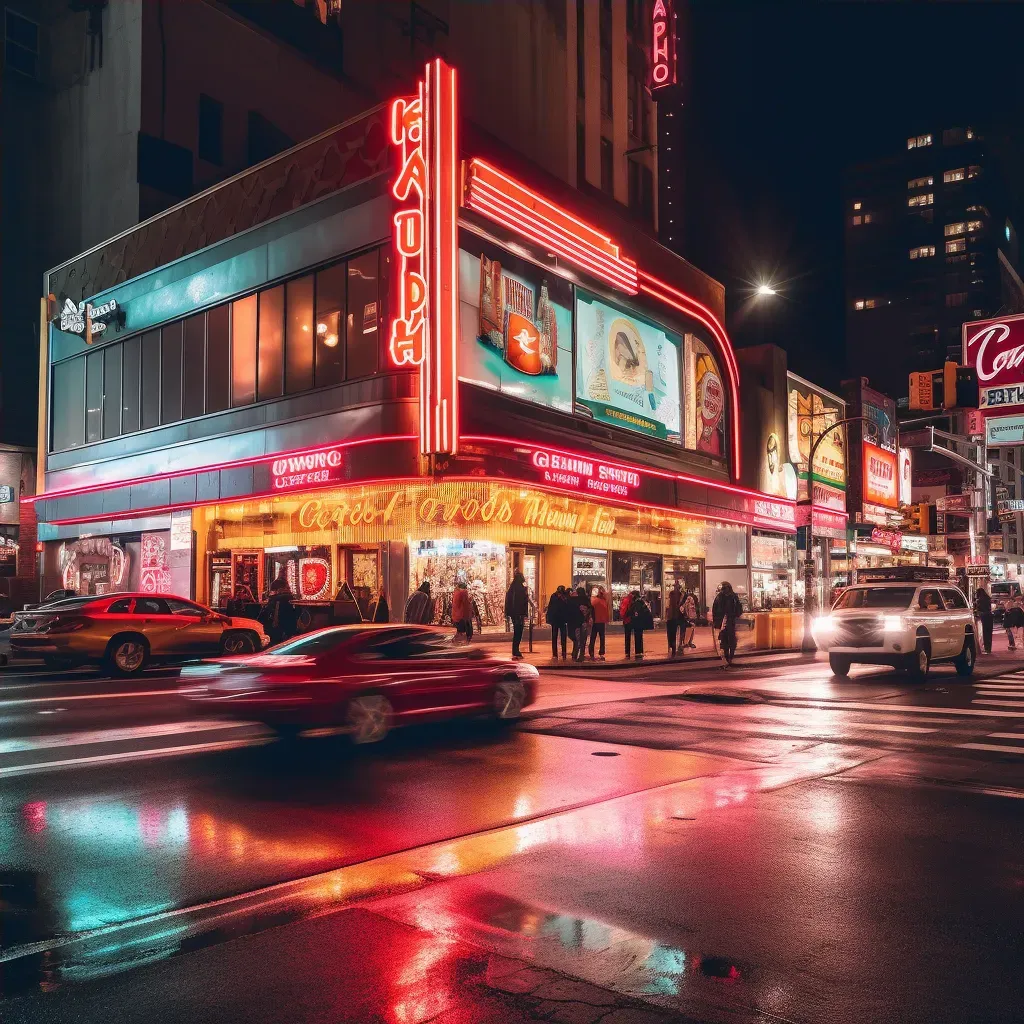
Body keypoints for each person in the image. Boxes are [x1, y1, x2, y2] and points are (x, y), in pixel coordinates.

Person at [712, 582, 743, 666]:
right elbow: (715, 610)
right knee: (724, 639)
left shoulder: (733, 597)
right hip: (724, 621)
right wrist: (716, 621)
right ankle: (727, 657)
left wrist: (736, 615)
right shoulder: (720, 597)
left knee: (731, 639)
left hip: (730, 620)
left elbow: (739, 608)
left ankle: (730, 657)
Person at [261, 578, 299, 646]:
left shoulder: (272, 599)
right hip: (285, 628)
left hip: (272, 629)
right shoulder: (288, 598)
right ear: (281, 589)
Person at [505, 571, 529, 659]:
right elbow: (521, 602)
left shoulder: (512, 588)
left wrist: (508, 612)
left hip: (515, 613)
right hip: (518, 614)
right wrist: (522, 613)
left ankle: (515, 649)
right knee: (518, 631)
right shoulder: (519, 589)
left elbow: (508, 601)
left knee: (517, 631)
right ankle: (515, 650)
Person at [546, 586, 568, 660]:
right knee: (555, 637)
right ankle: (555, 654)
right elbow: (551, 608)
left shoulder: (564, 597)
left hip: (561, 620)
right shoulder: (554, 596)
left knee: (563, 637)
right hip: (556, 620)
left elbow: (567, 606)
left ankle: (563, 653)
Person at [630, 590, 653, 659]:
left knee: (637, 637)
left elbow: (635, 613)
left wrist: (632, 617)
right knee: (639, 636)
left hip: (638, 622)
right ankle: (640, 651)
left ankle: (638, 652)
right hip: (641, 622)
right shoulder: (641, 602)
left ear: (634, 595)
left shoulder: (637, 603)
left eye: (632, 595)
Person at [573, 586, 593, 663]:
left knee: (578, 639)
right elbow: (591, 609)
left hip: (578, 622)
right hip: (585, 622)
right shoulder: (587, 600)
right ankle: (581, 655)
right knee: (583, 639)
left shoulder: (576, 600)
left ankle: (576, 654)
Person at [589, 586, 609, 660]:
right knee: (602, 638)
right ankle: (601, 652)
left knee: (593, 638)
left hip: (595, 621)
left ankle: (591, 652)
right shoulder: (603, 601)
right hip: (601, 621)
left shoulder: (593, 601)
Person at [565, 584, 584, 661]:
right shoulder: (573, 600)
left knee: (575, 637)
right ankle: (575, 653)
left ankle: (575, 653)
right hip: (575, 620)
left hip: (574, 620)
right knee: (574, 636)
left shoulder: (573, 600)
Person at [666, 581, 684, 658]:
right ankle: (675, 647)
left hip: (673, 616)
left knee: (672, 633)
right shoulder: (680, 595)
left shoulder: (672, 594)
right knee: (676, 633)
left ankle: (673, 647)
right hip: (676, 616)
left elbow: (668, 605)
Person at [974, 586, 993, 654]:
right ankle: (989, 649)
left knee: (985, 632)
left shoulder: (979, 600)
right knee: (989, 632)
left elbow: (978, 609)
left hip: (984, 616)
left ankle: (986, 648)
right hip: (990, 615)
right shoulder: (987, 598)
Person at [620, 590, 635, 659]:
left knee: (627, 637)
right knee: (636, 636)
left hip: (627, 620)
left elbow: (622, 612)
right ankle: (636, 651)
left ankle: (627, 652)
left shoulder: (625, 600)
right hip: (632, 620)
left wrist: (623, 617)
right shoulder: (633, 600)